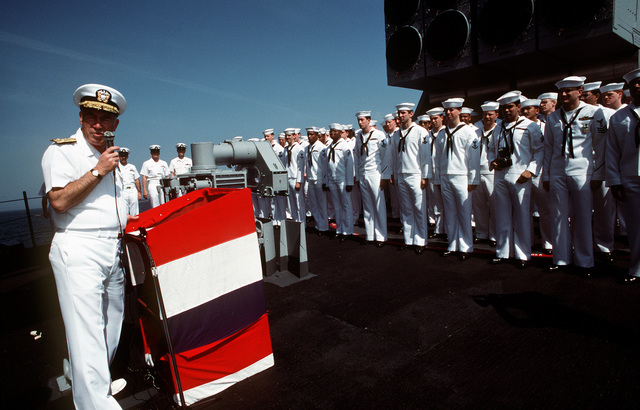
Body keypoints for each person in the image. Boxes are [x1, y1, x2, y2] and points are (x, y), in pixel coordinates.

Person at [41, 83, 129, 409]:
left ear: (114, 124)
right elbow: (59, 201)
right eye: (91, 117)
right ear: (80, 117)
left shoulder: (111, 155)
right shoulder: (62, 151)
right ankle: (95, 401)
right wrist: (97, 171)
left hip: (111, 248)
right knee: (87, 332)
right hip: (78, 248)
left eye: (105, 120)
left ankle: (95, 382)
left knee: (111, 326)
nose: (97, 125)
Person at [543, 76, 608, 273]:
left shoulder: (594, 113)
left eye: (569, 90)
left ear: (580, 92)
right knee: (559, 215)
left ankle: (584, 261)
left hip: (582, 169)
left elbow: (601, 146)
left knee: (582, 216)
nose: (564, 94)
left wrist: (599, 174)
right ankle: (561, 258)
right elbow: (548, 149)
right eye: (561, 91)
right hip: (557, 170)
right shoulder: (552, 117)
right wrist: (546, 176)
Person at [488, 92, 544, 268]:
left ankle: (522, 254)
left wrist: (531, 171)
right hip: (500, 174)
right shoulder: (497, 128)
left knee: (521, 215)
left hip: (520, 174)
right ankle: (503, 252)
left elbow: (540, 150)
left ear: (519, 107)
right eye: (504, 108)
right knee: (502, 215)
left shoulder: (530, 126)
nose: (507, 111)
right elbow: (490, 148)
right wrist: (492, 160)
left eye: (510, 107)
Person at [606, 68, 640, 282]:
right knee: (635, 227)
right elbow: (612, 151)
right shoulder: (619, 117)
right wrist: (615, 181)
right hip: (630, 178)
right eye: (633, 85)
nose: (637, 87)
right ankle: (637, 267)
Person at [437, 98, 480, 260]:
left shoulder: (468, 132)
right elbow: (438, 158)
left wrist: (473, 180)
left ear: (459, 111)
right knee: (450, 212)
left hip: (462, 176)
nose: (449, 113)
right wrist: (438, 178)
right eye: (447, 111)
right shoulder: (442, 133)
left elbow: (473, 157)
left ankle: (466, 246)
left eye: (452, 110)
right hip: (446, 176)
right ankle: (453, 244)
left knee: (464, 212)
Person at [389, 102, 431, 253]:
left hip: (416, 174)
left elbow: (426, 157)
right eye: (399, 113)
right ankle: (409, 239)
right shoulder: (396, 134)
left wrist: (425, 176)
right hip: (401, 174)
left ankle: (420, 240)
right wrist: (393, 173)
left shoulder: (420, 132)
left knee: (419, 208)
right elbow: (394, 156)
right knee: (406, 209)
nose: (400, 116)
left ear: (411, 114)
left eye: (403, 113)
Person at [521, 98, 553, 255]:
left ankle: (548, 242)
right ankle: (528, 241)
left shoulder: (546, 126)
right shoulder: (519, 127)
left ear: (537, 111)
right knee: (524, 210)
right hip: (522, 174)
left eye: (529, 109)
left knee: (545, 210)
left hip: (539, 173)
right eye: (524, 109)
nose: (526, 112)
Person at [354, 110, 389, 246]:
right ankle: (370, 235)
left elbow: (385, 156)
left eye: (363, 120)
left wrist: (384, 176)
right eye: (359, 120)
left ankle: (381, 236)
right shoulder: (358, 136)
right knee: (367, 206)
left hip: (375, 173)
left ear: (369, 120)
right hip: (363, 173)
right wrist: (357, 175)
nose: (360, 122)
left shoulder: (379, 134)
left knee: (378, 205)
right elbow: (357, 157)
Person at [473, 101, 499, 247]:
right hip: (477, 170)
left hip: (492, 172)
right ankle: (482, 233)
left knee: (494, 204)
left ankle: (494, 235)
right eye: (485, 114)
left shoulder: (499, 130)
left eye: (490, 114)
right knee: (479, 205)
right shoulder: (475, 130)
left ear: (496, 115)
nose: (487, 117)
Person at [322, 123, 355, 240]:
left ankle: (348, 230)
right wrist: (326, 181)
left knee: (346, 205)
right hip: (332, 179)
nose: (332, 133)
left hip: (342, 179)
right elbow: (326, 166)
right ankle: (339, 229)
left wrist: (349, 182)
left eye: (335, 131)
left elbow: (349, 165)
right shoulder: (329, 147)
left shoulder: (345, 146)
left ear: (341, 133)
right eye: (331, 131)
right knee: (337, 206)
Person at [426, 107, 447, 239]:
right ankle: (439, 229)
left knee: (447, 202)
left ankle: (447, 228)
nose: (433, 121)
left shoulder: (445, 133)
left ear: (442, 118)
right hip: (431, 172)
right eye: (431, 119)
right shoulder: (427, 135)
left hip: (444, 172)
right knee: (435, 202)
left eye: (436, 118)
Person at [306, 127, 329, 234]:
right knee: (314, 203)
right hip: (311, 178)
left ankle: (324, 226)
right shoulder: (307, 148)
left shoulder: (322, 148)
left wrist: (325, 181)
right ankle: (318, 224)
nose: (309, 136)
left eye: (311, 134)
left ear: (316, 135)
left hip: (319, 178)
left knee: (322, 203)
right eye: (308, 134)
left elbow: (325, 166)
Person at [118, 147, 141, 216]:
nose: (123, 157)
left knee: (135, 211)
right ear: (119, 156)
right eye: (122, 155)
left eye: (125, 155)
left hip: (132, 190)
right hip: (122, 191)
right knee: (124, 211)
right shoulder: (116, 167)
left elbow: (136, 180)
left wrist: (139, 191)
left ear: (127, 156)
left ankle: (136, 226)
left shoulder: (132, 167)